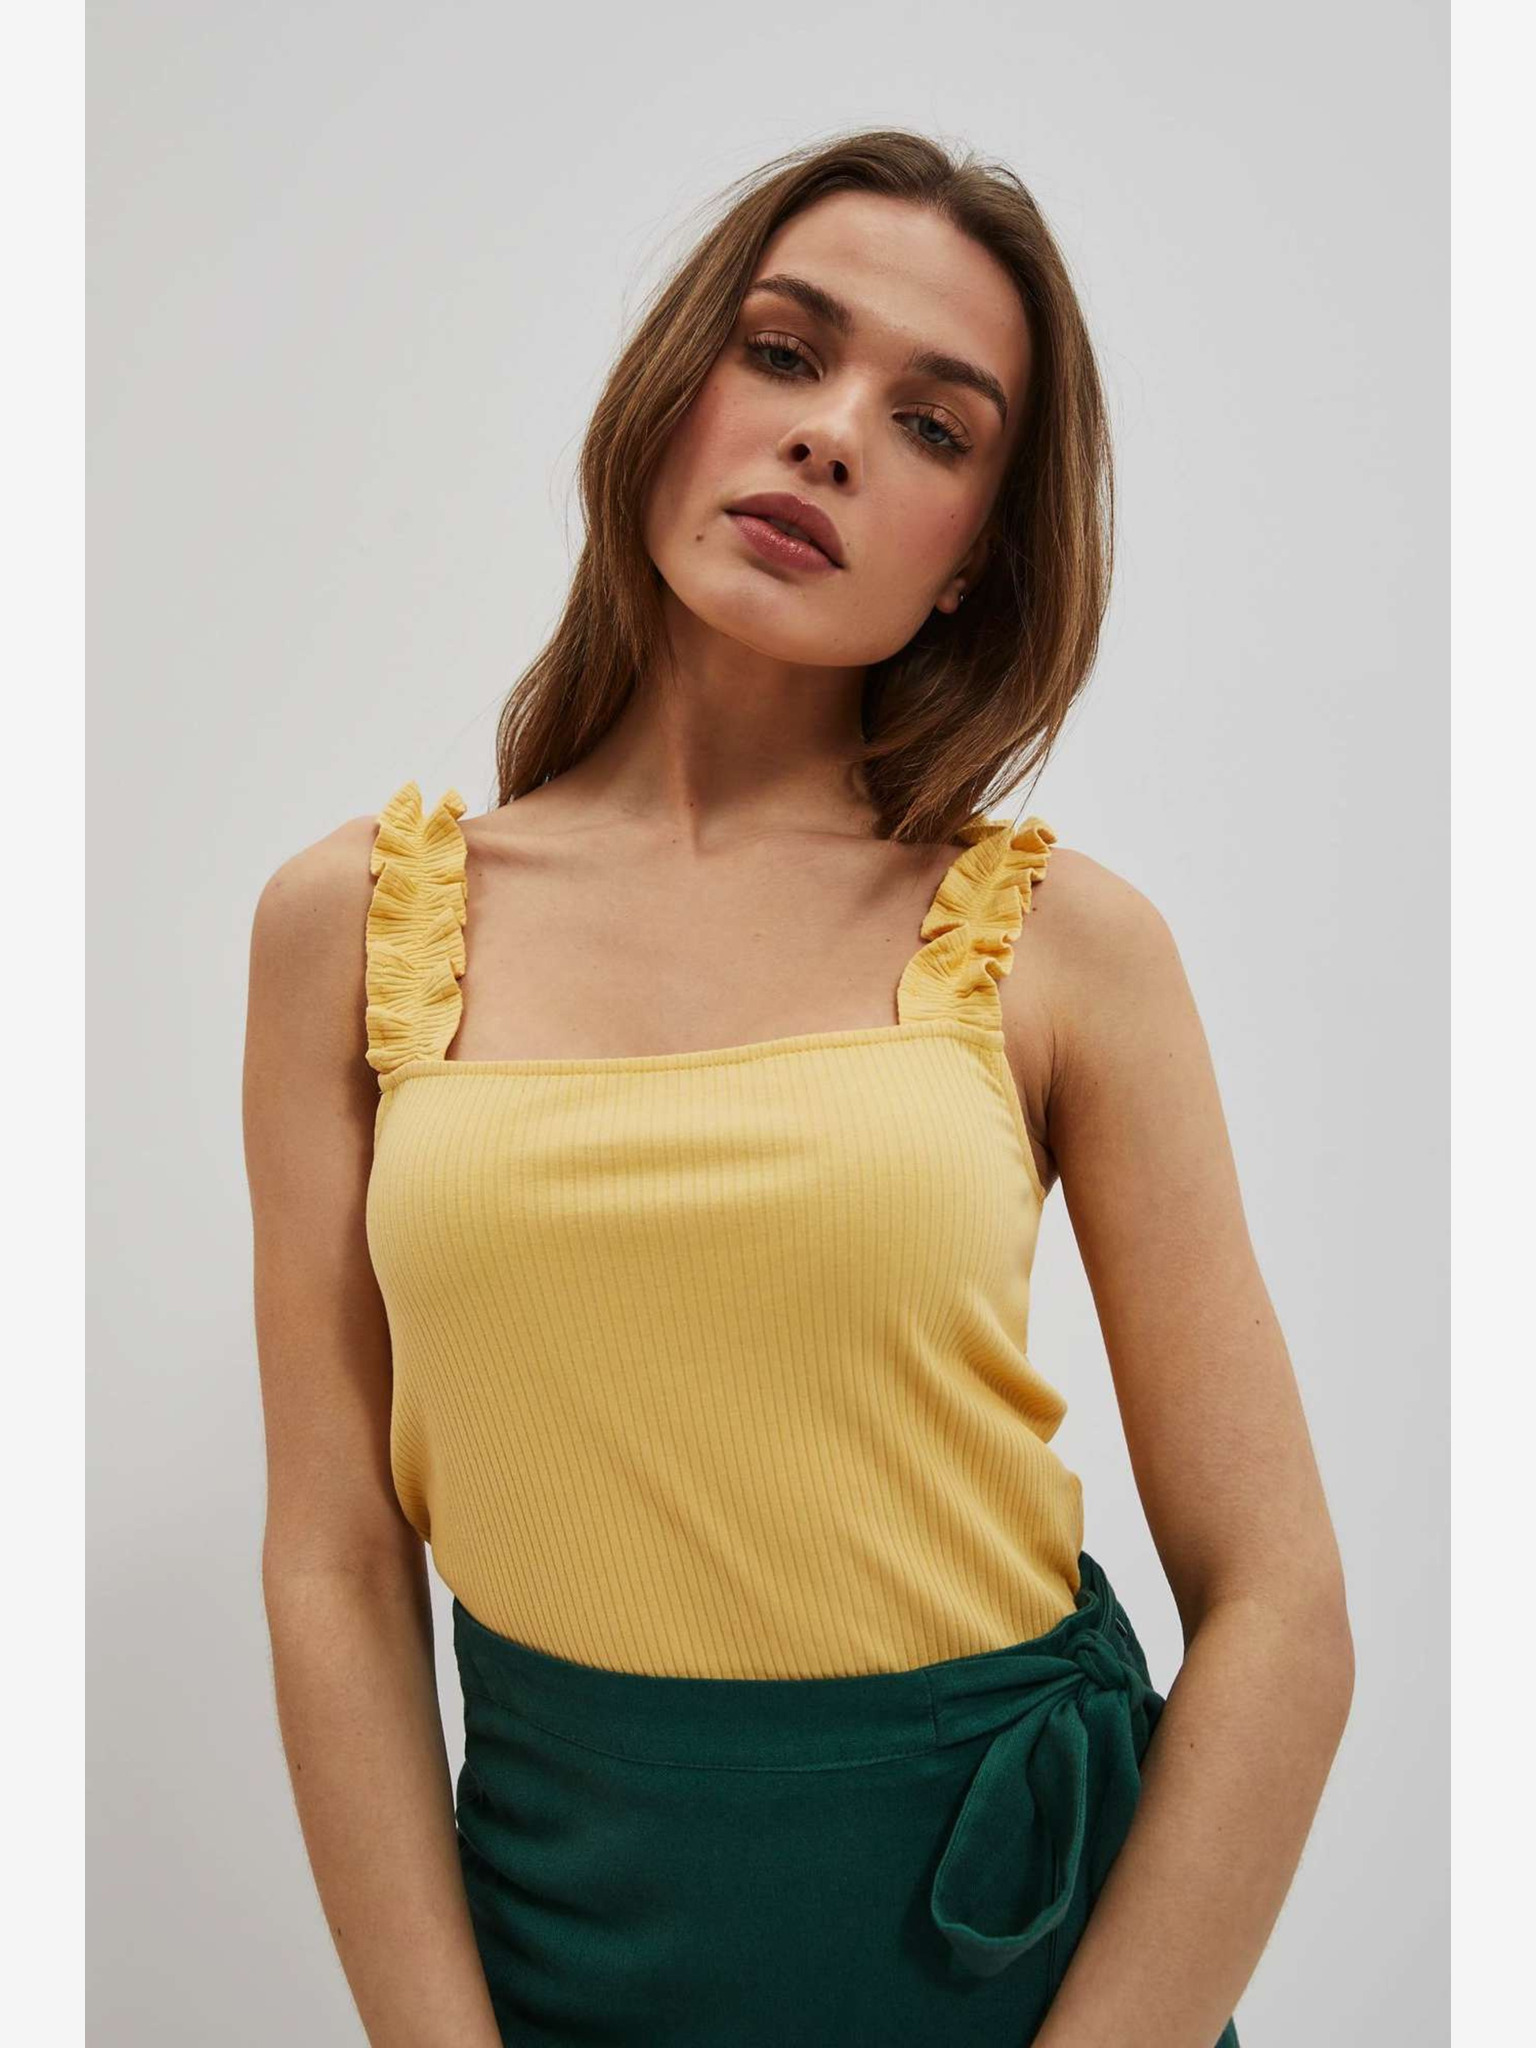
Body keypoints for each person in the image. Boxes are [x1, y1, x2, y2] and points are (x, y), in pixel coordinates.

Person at [243, 128, 1352, 2048]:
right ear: (674, 388)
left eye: (933, 427)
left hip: (1019, 1971)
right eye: (783, 352)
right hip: (560, 1955)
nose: (832, 436)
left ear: (973, 559)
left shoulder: (1063, 946)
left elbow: (1281, 1609)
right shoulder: (356, 926)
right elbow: (336, 1565)